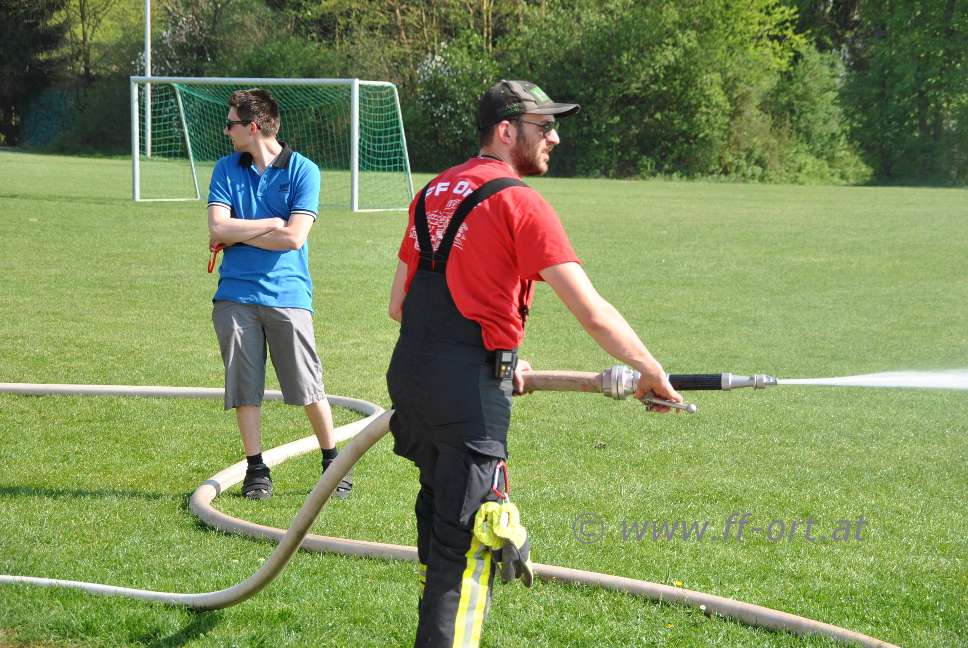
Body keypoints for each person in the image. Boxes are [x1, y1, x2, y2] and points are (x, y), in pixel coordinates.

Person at [385, 79, 682, 647]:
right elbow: (592, 312)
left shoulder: (433, 192)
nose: (555, 137)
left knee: (441, 523)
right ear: (506, 131)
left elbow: (399, 304)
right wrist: (650, 370)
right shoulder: (519, 201)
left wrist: (492, 357)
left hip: (412, 377)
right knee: (469, 544)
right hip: (466, 396)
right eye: (544, 127)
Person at [207, 88, 351, 501]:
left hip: (288, 295)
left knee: (307, 384)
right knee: (244, 386)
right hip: (234, 295)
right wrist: (271, 222)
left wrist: (241, 232)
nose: (226, 130)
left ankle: (333, 463)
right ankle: (256, 470)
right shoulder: (226, 168)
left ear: (253, 127)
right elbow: (217, 228)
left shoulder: (304, 170)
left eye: (231, 124)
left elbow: (294, 238)